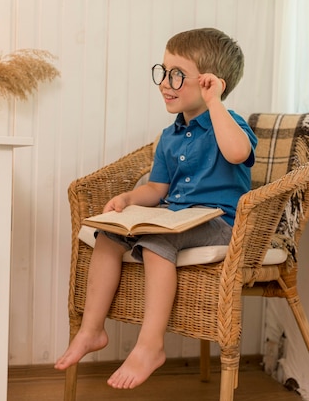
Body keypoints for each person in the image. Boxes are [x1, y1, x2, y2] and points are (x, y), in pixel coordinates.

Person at [54, 27, 257, 390]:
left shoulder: (229, 124)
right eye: (162, 71)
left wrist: (216, 105)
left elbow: (238, 153)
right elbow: (157, 188)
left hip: (218, 221)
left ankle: (150, 345)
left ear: (211, 83)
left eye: (177, 74)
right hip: (175, 216)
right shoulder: (170, 135)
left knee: (156, 243)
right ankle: (91, 329)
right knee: (109, 235)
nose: (165, 82)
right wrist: (130, 200)